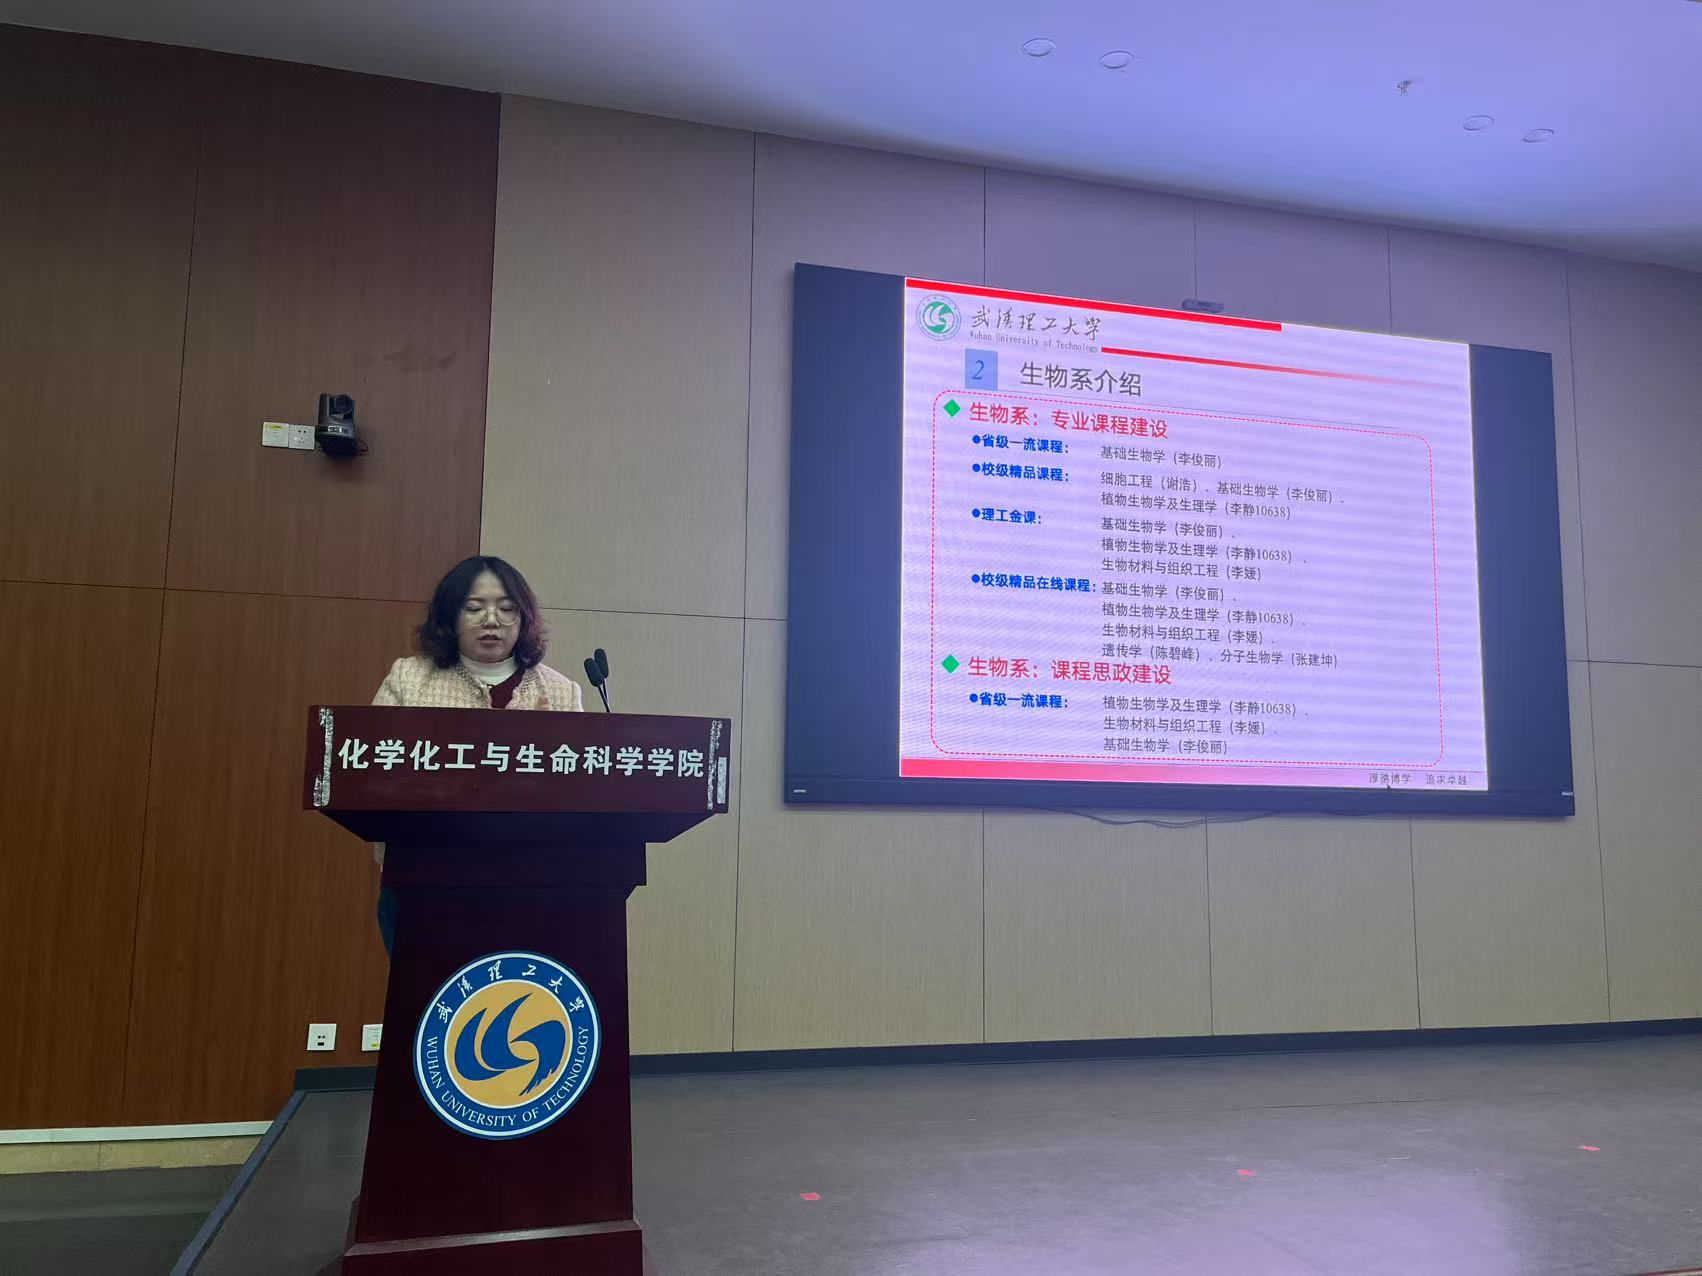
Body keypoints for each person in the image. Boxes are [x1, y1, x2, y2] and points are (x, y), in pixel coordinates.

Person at [371, 556, 583, 951]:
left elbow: (579, 795)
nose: (491, 620)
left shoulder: (560, 692)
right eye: (474, 608)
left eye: (506, 608)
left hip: (532, 885)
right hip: (423, 879)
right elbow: (373, 775)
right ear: (450, 615)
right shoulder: (409, 680)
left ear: (523, 618)